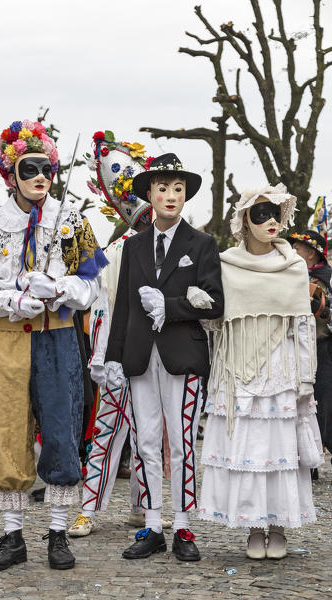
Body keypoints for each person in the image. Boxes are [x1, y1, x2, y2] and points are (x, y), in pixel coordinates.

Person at [0, 119, 107, 571]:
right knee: (8, 433)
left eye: (47, 168)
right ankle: (13, 536)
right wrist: (14, 300)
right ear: (11, 174)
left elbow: (91, 284)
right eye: (29, 169)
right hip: (8, 341)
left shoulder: (71, 221)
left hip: (58, 337)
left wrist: (59, 289)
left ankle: (58, 533)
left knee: (61, 429)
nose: (40, 177)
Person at [105, 153, 224, 561]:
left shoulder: (202, 244)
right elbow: (122, 305)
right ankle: (153, 524)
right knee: (146, 441)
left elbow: (215, 304)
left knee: (184, 441)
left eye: (177, 188)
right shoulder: (133, 245)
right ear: (150, 195)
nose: (170, 195)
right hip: (139, 356)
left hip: (182, 356)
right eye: (162, 188)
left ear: (186, 194)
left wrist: (171, 306)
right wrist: (112, 358)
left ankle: (184, 526)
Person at [198, 184, 324, 560]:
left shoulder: (294, 265)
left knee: (280, 452)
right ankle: (254, 527)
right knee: (249, 449)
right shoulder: (227, 264)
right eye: (260, 214)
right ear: (244, 221)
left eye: (275, 214)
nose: (271, 222)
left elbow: (303, 325)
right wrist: (203, 307)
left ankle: (279, 525)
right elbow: (217, 322)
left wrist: (305, 377)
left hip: (281, 368)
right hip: (237, 369)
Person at [69, 132, 171, 536]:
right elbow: (98, 308)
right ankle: (88, 509)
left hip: (156, 359)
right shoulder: (114, 253)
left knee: (150, 435)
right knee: (107, 434)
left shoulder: (174, 248)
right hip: (118, 356)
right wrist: (102, 358)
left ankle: (145, 508)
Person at [288, 229, 332, 467]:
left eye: (298, 248)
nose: (293, 251)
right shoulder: (293, 275)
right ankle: (307, 460)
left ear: (312, 254)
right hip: (296, 349)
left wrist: (323, 310)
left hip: (322, 349)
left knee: (324, 407)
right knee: (299, 405)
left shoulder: (325, 279)